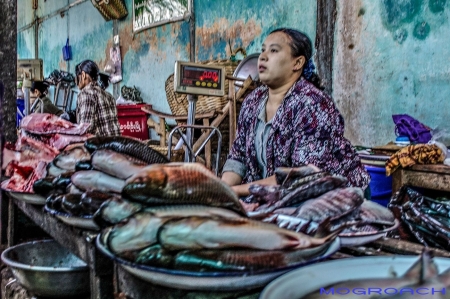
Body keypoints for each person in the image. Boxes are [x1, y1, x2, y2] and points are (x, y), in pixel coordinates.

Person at [221, 28, 370, 197]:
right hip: (274, 195)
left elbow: (302, 176)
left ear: (297, 63)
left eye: (274, 50)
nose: (263, 56)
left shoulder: (312, 104)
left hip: (333, 196)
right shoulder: (252, 102)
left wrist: (236, 191)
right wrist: (221, 190)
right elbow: (238, 157)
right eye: (263, 50)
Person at [75, 59, 121, 136]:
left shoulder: (86, 93)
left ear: (83, 75)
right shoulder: (109, 96)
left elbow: (85, 129)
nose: (76, 82)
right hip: (116, 144)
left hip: (102, 146)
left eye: (77, 77)